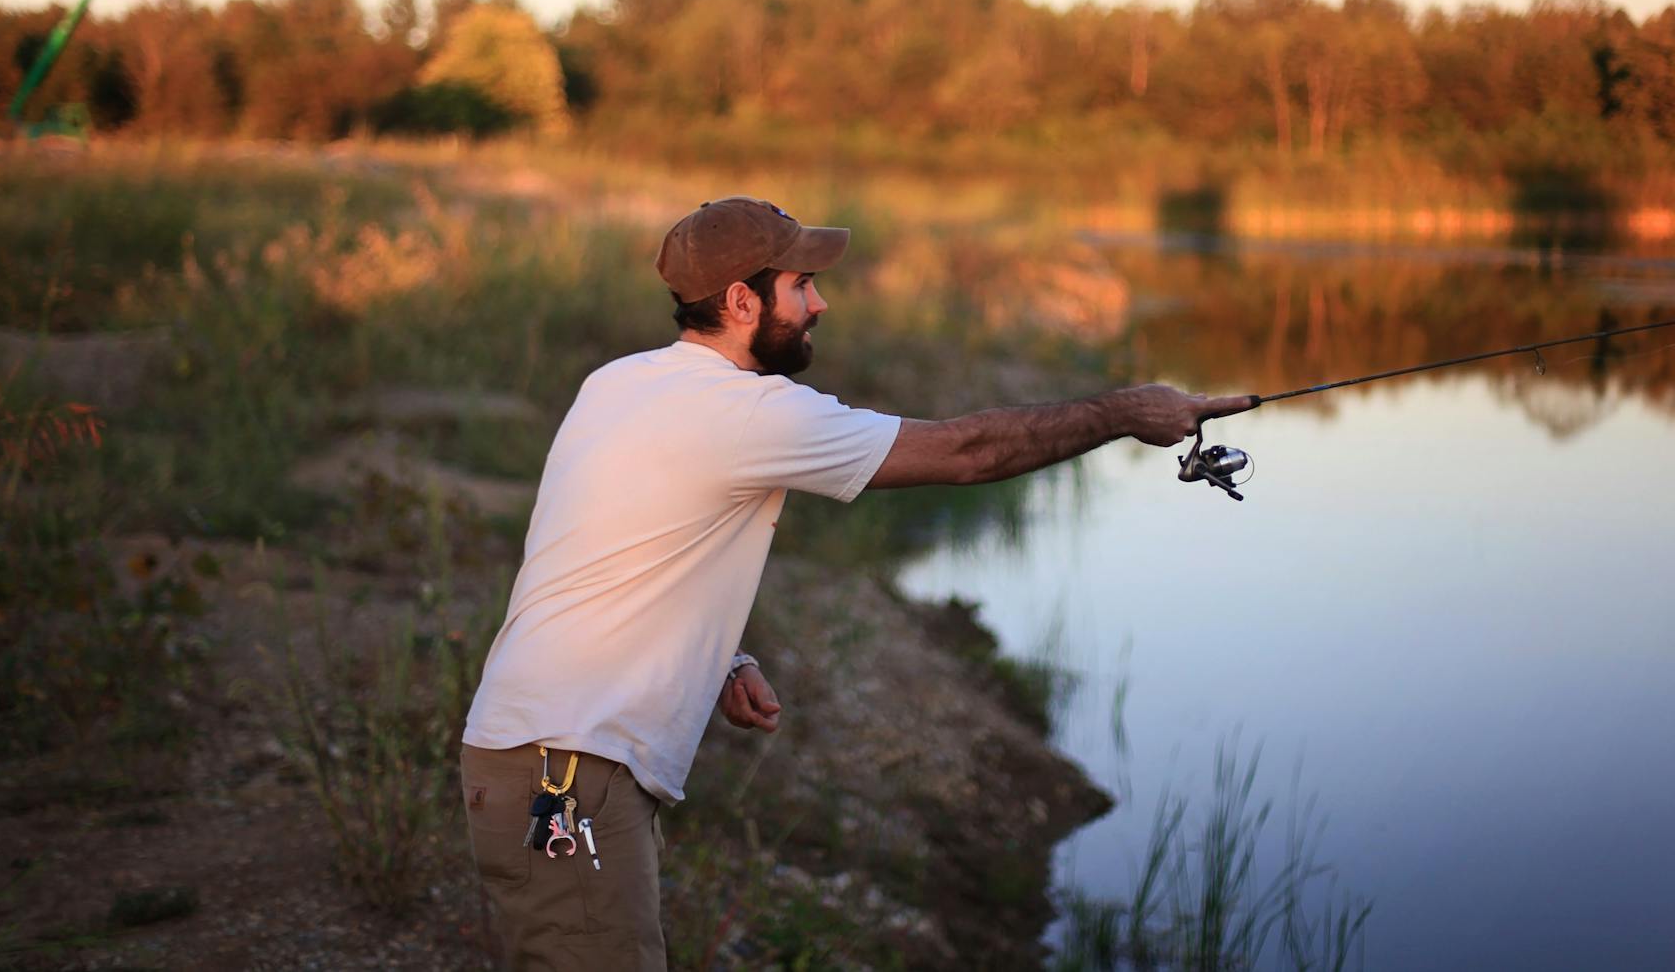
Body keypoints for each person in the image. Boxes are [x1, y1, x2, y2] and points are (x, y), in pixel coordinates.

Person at [459, 196, 1254, 969]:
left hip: (543, 760)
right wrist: (1124, 411)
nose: (821, 301)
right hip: (566, 775)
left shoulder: (621, 382)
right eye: (801, 285)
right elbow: (967, 452)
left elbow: (607, 544)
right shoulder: (749, 412)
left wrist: (722, 656)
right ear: (741, 299)